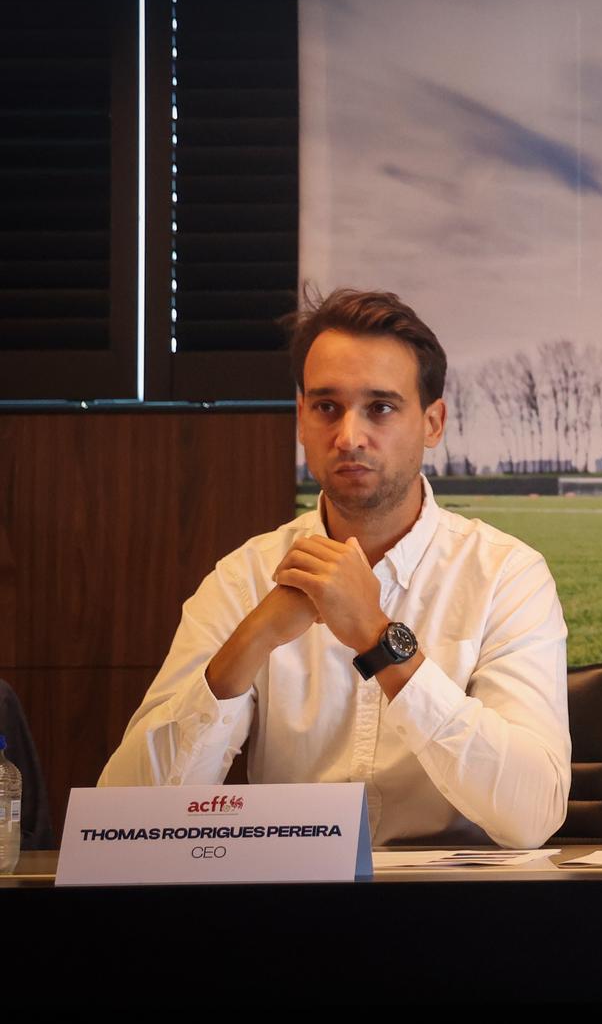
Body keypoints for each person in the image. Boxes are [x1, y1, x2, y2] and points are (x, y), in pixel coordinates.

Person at [101, 289, 570, 849]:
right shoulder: (245, 577)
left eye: (381, 408)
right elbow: (126, 820)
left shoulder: (506, 575)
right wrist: (251, 640)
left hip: (450, 897)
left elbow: (532, 816)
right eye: (327, 407)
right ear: (301, 419)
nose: (349, 437)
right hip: (290, 892)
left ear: (433, 423)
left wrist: (380, 640)